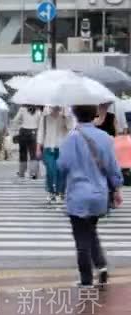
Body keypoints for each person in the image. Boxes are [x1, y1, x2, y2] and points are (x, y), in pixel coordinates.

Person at [58, 105, 124, 288]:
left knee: (81, 238)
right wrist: (117, 189)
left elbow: (62, 165)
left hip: (77, 194)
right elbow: (112, 167)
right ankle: (101, 267)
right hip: (99, 194)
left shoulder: (71, 138)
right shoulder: (105, 138)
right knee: (91, 230)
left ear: (75, 114)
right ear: (95, 114)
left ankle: (86, 279)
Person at [36, 106, 75, 203]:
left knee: (61, 172)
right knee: (50, 170)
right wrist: (38, 148)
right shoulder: (45, 113)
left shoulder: (67, 111)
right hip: (48, 147)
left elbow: (71, 128)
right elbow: (41, 131)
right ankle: (50, 191)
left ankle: (60, 192)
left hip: (63, 148)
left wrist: (65, 116)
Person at [13, 105, 41, 179]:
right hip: (34, 132)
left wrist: (19, 125)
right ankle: (33, 172)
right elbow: (40, 122)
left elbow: (15, 120)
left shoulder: (22, 109)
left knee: (23, 153)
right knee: (33, 153)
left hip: (23, 131)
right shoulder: (38, 110)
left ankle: (22, 172)